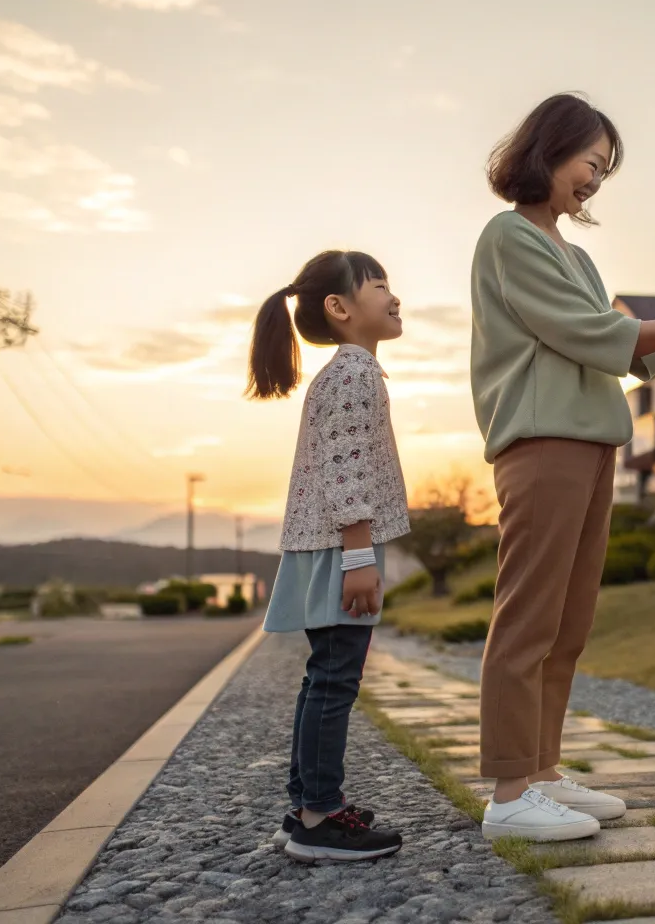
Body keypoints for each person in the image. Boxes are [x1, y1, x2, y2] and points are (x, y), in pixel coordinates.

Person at [469, 93, 655, 841]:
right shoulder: (508, 237)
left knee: (568, 624)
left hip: (592, 442)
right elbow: (598, 336)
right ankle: (506, 794)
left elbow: (633, 353)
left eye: (604, 169)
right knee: (529, 618)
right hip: (543, 443)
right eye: (590, 161)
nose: (596, 178)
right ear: (548, 151)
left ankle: (542, 776)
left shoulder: (577, 255)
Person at [247, 250, 410, 864]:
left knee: (324, 677)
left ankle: (310, 806)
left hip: (331, 544)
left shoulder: (348, 372)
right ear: (339, 309)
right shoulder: (354, 375)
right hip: (340, 547)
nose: (394, 296)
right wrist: (359, 556)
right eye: (379, 286)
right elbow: (347, 473)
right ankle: (318, 817)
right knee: (335, 678)